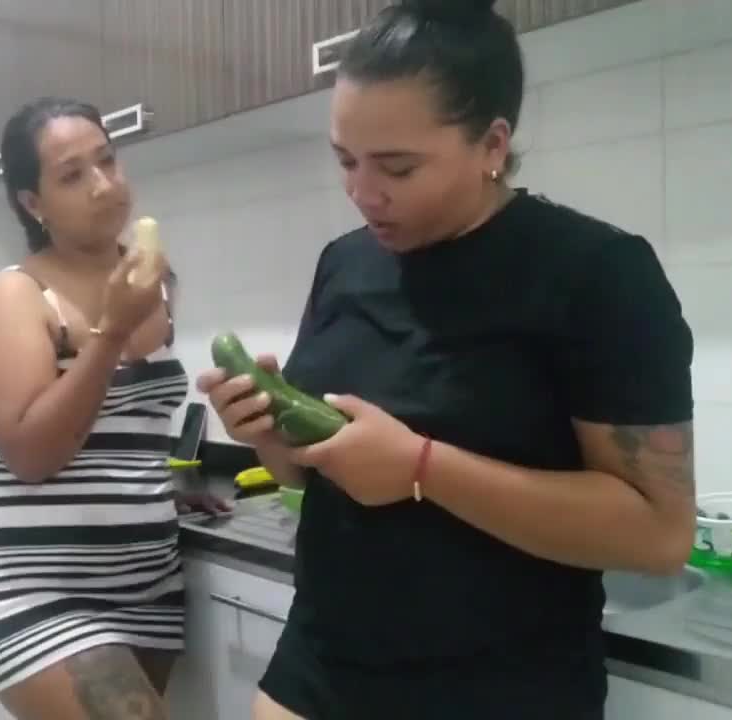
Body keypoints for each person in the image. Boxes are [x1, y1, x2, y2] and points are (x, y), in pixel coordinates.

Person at [197, 1, 696, 718]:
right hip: (319, 667)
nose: (362, 193)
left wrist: (421, 468)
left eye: (397, 167)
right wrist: (268, 435)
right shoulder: (343, 265)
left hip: (500, 690)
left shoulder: (596, 273)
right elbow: (309, 474)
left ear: (492, 143)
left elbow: (659, 534)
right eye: (345, 160)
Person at [0, 97, 223, 720]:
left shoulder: (156, 282)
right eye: (73, 175)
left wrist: (152, 487)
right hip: (40, 587)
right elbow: (31, 455)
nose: (104, 185)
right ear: (34, 203)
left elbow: (126, 423)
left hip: (148, 588)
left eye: (107, 161)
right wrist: (111, 333)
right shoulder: (18, 295)